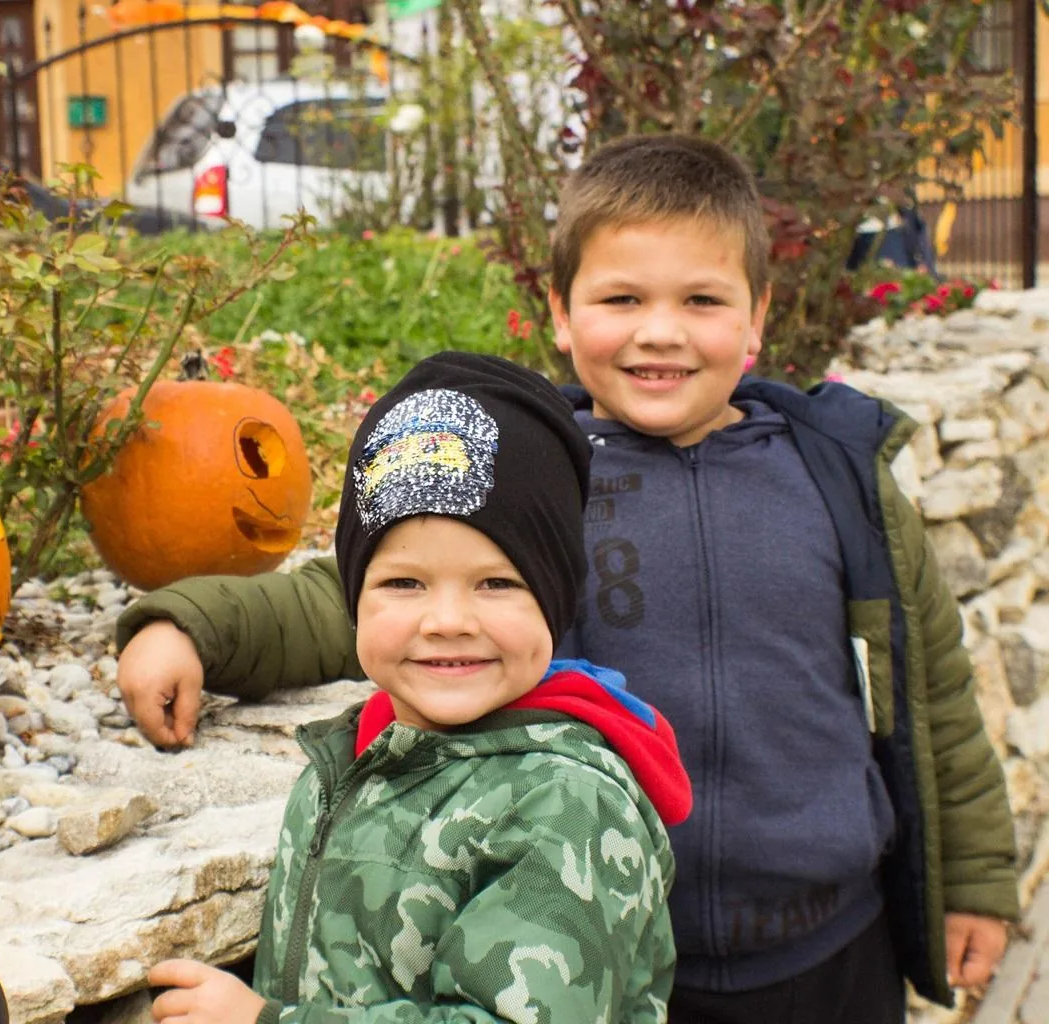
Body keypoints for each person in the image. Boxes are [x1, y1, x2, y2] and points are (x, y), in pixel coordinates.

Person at [116, 134, 1021, 1023]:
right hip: (621, 948)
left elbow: (934, 692)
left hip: (832, 951)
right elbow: (361, 590)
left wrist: (976, 880)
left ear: (758, 315)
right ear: (560, 308)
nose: (659, 331)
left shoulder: (836, 477)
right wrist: (193, 626)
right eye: (620, 297)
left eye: (702, 299)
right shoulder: (539, 477)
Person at [147, 351, 693, 1024]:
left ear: (553, 602)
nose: (447, 622)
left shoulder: (566, 804)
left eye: (497, 583)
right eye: (403, 583)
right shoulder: (364, 748)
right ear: (355, 599)